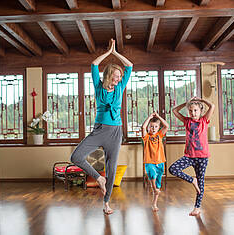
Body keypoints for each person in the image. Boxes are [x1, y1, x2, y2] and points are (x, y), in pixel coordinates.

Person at [70, 38, 133, 215]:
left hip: (115, 132)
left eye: (120, 76)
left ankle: (106, 203)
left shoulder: (121, 87)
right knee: (76, 156)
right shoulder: (99, 86)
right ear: (109, 74)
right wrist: (107, 53)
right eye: (116, 75)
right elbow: (93, 64)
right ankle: (99, 178)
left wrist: (115, 53)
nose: (119, 78)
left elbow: (130, 66)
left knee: (112, 168)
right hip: (99, 130)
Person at [168, 97, 215, 216]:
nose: (193, 113)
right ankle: (192, 180)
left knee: (201, 182)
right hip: (189, 156)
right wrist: (186, 103)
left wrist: (201, 100)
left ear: (200, 111)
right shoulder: (187, 121)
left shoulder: (204, 120)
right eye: (190, 111)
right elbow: (174, 110)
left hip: (202, 157)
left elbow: (212, 106)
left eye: (195, 110)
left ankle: (197, 207)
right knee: (173, 169)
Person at [141, 111, 169, 211]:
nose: (153, 128)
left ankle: (154, 203)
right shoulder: (146, 137)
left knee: (158, 184)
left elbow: (166, 126)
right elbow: (143, 127)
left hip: (160, 161)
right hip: (149, 162)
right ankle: (153, 187)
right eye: (151, 126)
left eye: (156, 126)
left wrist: (158, 117)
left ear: (158, 128)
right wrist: (149, 116)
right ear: (149, 127)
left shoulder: (160, 135)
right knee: (152, 175)